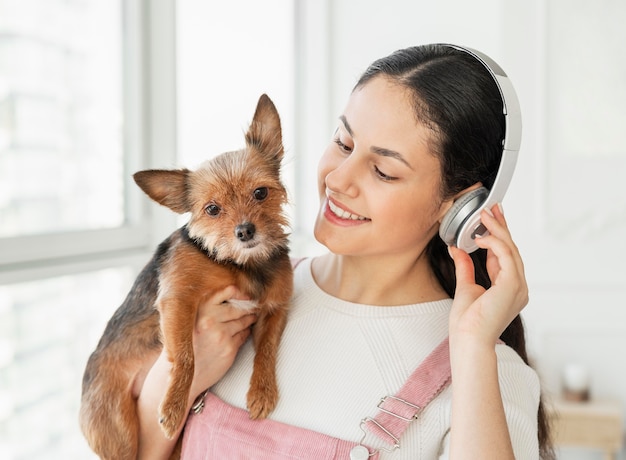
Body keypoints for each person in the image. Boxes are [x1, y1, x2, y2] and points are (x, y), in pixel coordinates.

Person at [135, 44, 553, 459]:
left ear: (459, 205)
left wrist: (474, 348)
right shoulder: (225, 308)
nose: (337, 179)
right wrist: (179, 376)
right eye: (344, 142)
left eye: (383, 171)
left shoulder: (487, 373)